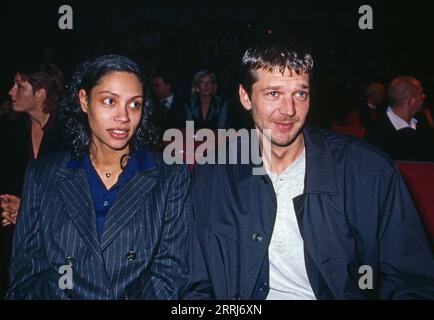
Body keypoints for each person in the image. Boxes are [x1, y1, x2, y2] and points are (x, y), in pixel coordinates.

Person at [187, 43, 434, 300]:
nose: (289, 110)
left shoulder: (367, 171)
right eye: (273, 93)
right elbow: (196, 283)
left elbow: (412, 283)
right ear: (245, 97)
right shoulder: (213, 174)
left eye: (300, 94)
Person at [6, 55, 191, 299]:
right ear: (84, 100)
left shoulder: (169, 176)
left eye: (134, 104)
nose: (124, 117)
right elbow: (26, 277)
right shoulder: (43, 175)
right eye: (109, 101)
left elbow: (170, 273)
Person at [0, 62, 65, 299]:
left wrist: (26, 210)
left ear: (40, 93)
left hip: (58, 248)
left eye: (19, 85)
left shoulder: (70, 134)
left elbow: (78, 195)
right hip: (16, 246)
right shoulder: (9, 133)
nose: (10, 91)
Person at [364, 76, 434, 162]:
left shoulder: (422, 123)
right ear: (411, 101)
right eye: (421, 93)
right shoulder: (376, 134)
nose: (424, 96)